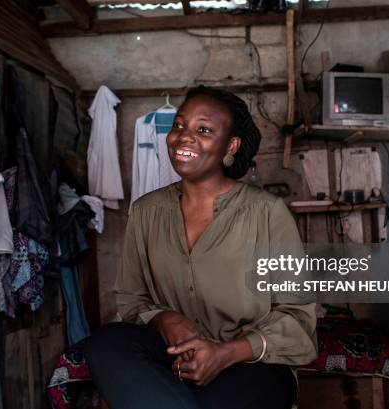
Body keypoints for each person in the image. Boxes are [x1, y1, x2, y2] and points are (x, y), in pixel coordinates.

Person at [85, 86, 317, 409]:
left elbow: (298, 319)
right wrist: (162, 318)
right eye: (179, 125)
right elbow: (131, 297)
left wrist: (224, 353)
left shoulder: (267, 213)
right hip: (172, 357)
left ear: (231, 146)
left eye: (203, 130)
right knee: (105, 343)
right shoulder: (146, 211)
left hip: (249, 364)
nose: (183, 137)